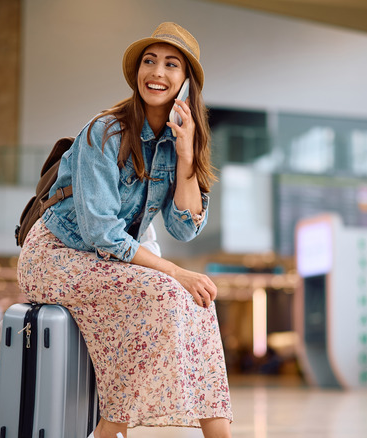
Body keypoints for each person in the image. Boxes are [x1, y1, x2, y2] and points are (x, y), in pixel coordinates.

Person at [16, 22, 232, 438]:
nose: (157, 72)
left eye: (172, 64)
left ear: (186, 81)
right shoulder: (106, 131)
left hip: (102, 262)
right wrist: (174, 272)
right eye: (149, 61)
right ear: (137, 73)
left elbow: (184, 228)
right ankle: (110, 430)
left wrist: (186, 154)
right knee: (171, 291)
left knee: (199, 303)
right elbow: (103, 233)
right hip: (56, 256)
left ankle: (218, 434)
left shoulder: (179, 141)